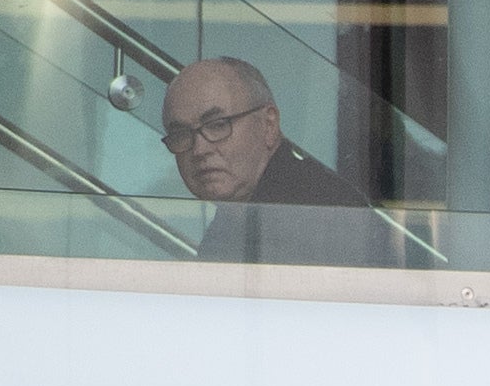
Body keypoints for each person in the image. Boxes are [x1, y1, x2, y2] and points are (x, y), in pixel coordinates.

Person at [157, 58, 397, 266]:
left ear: (269, 125)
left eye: (218, 125)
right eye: (180, 135)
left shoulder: (315, 211)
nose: (199, 149)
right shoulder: (234, 219)